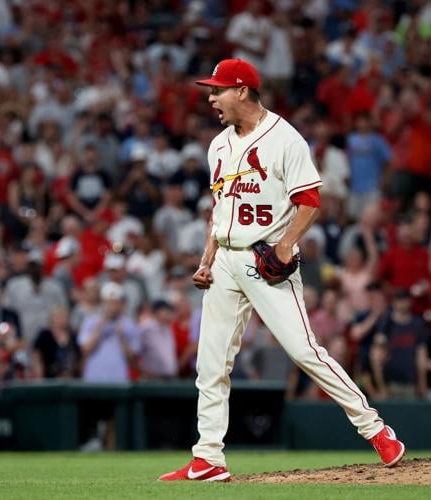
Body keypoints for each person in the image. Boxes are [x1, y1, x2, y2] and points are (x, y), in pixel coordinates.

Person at [159, 59, 404, 483]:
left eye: (218, 90)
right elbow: (220, 209)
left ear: (242, 91)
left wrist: (286, 245)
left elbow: (309, 200)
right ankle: (208, 457)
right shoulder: (218, 144)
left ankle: (377, 431)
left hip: (264, 258)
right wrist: (206, 258)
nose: (211, 98)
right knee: (211, 363)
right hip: (225, 260)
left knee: (304, 350)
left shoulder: (285, 138)